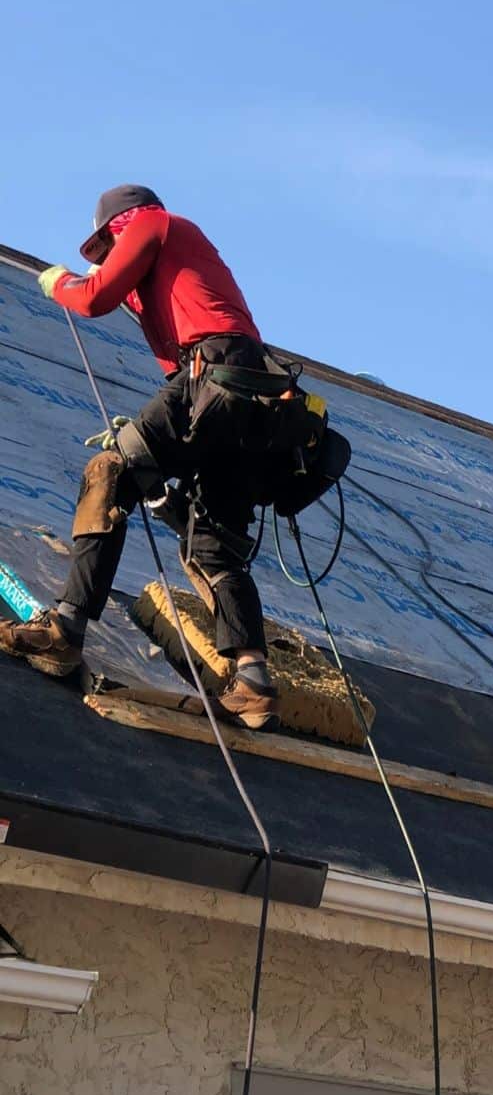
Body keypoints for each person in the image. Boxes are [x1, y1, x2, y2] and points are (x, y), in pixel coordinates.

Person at [0, 185, 279, 729]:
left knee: (110, 472)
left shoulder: (155, 224)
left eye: (107, 246)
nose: (107, 257)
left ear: (121, 224)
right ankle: (253, 681)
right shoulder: (182, 257)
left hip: (212, 371)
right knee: (211, 543)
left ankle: (65, 629)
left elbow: (94, 298)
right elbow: (138, 307)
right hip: (250, 393)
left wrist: (60, 282)